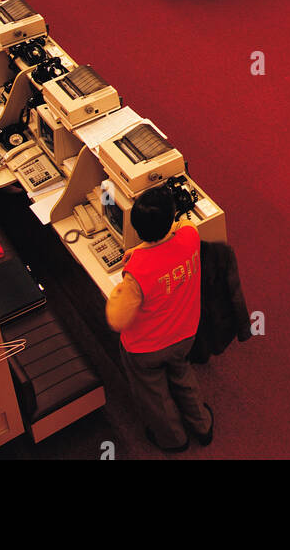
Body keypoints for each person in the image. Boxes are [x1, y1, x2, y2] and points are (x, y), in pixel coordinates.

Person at [105, 184, 213, 452]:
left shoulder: (137, 269)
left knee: (154, 395)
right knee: (182, 375)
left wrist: (130, 267)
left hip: (147, 348)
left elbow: (117, 319)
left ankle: (173, 439)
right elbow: (184, 225)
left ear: (138, 229)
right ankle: (202, 424)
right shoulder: (190, 238)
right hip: (185, 334)